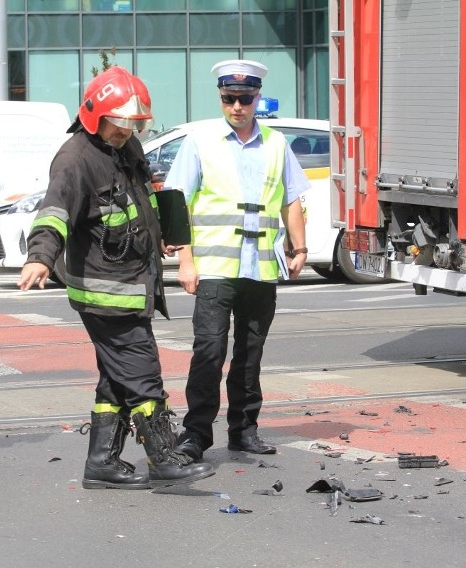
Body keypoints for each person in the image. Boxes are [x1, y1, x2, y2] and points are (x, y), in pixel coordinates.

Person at [18, 66, 214, 490]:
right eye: (120, 122)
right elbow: (54, 212)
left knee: (116, 378)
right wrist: (40, 257)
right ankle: (163, 456)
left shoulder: (126, 149)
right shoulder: (75, 158)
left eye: (132, 124)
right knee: (143, 375)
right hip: (105, 292)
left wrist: (163, 237)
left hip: (132, 285)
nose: (127, 131)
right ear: (95, 115)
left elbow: (140, 204)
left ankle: (102, 463)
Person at [165, 59, 310, 462]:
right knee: (209, 353)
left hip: (260, 269)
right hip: (214, 269)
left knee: (250, 356)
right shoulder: (201, 142)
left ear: (256, 98)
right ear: (221, 97)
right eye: (229, 99)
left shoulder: (277, 144)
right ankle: (196, 435)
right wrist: (185, 261)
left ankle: (244, 430)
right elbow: (178, 204)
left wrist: (298, 249)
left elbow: (292, 197)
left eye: (245, 99)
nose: (237, 107)